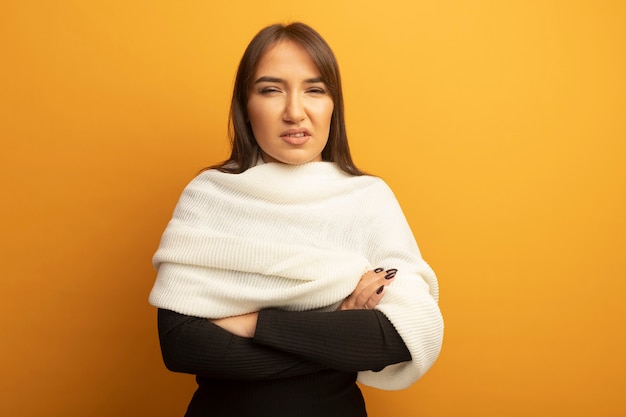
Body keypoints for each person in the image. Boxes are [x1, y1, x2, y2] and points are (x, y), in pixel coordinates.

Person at [149, 22, 443, 417]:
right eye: (271, 90)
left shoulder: (367, 199)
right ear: (245, 106)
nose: (294, 112)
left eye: (315, 90)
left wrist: (250, 323)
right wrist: (337, 334)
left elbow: (401, 337)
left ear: (333, 105)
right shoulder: (209, 196)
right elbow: (182, 344)